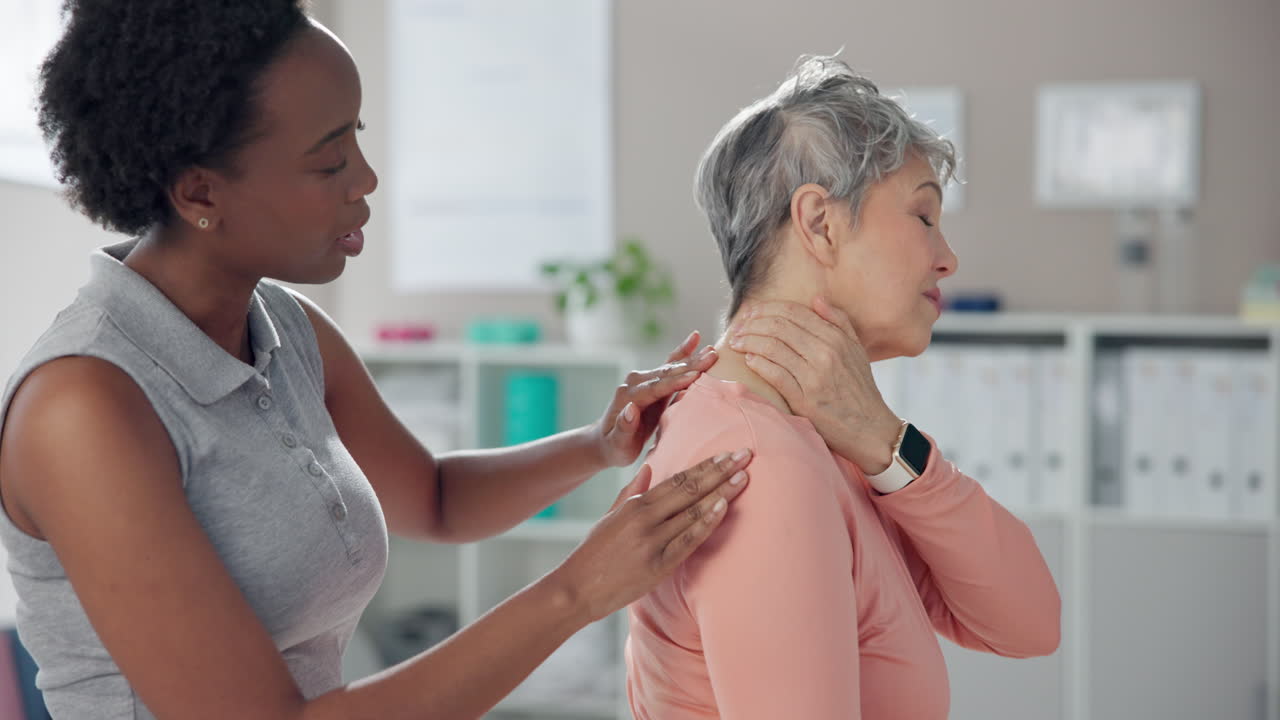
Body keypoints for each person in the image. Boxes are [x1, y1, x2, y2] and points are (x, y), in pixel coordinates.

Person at [0, 3, 756, 719]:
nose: (365, 180)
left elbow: (434, 499)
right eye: (330, 162)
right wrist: (577, 592)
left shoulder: (288, 330)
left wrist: (597, 445)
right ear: (201, 192)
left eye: (356, 139)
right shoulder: (85, 409)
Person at [625, 56, 1061, 719]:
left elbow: (1029, 624)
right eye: (922, 216)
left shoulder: (821, 440)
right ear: (821, 224)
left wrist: (890, 446)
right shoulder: (761, 463)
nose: (947, 257)